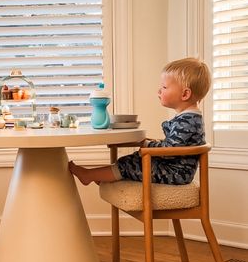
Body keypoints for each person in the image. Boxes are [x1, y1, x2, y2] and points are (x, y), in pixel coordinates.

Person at [69, 57, 211, 186]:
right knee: (132, 159)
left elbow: (170, 150)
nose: (159, 91)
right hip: (172, 168)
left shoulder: (188, 121)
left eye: (165, 87)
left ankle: (88, 175)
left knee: (130, 164)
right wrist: (147, 143)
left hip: (175, 173)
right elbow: (176, 145)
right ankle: (101, 175)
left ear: (185, 94)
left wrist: (147, 144)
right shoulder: (189, 118)